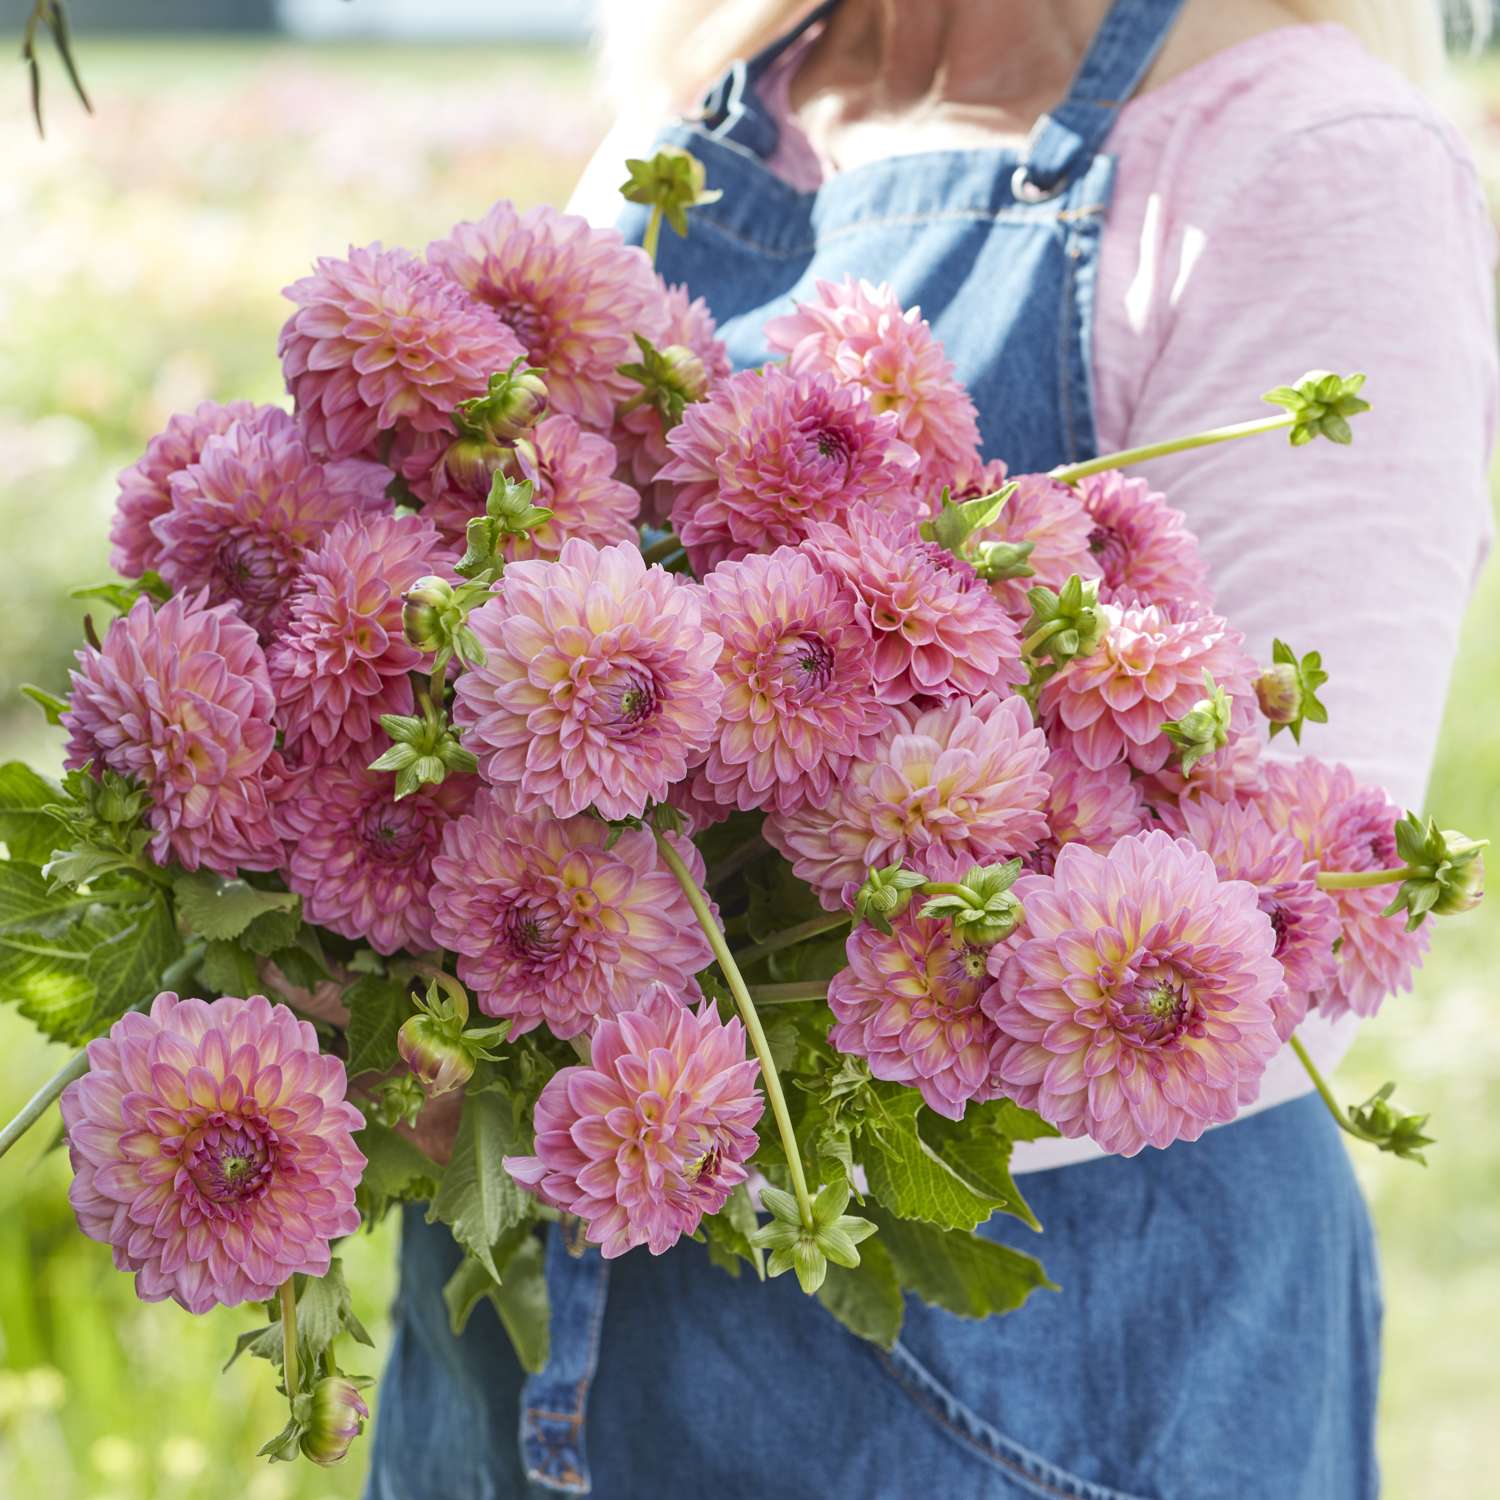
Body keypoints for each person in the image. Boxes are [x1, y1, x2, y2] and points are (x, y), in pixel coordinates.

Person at [366, 3, 1496, 1495]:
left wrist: (597, 1083)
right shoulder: (693, 127)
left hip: (1019, 1403)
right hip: (521, 1373)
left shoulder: (1303, 158)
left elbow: (1286, 947)